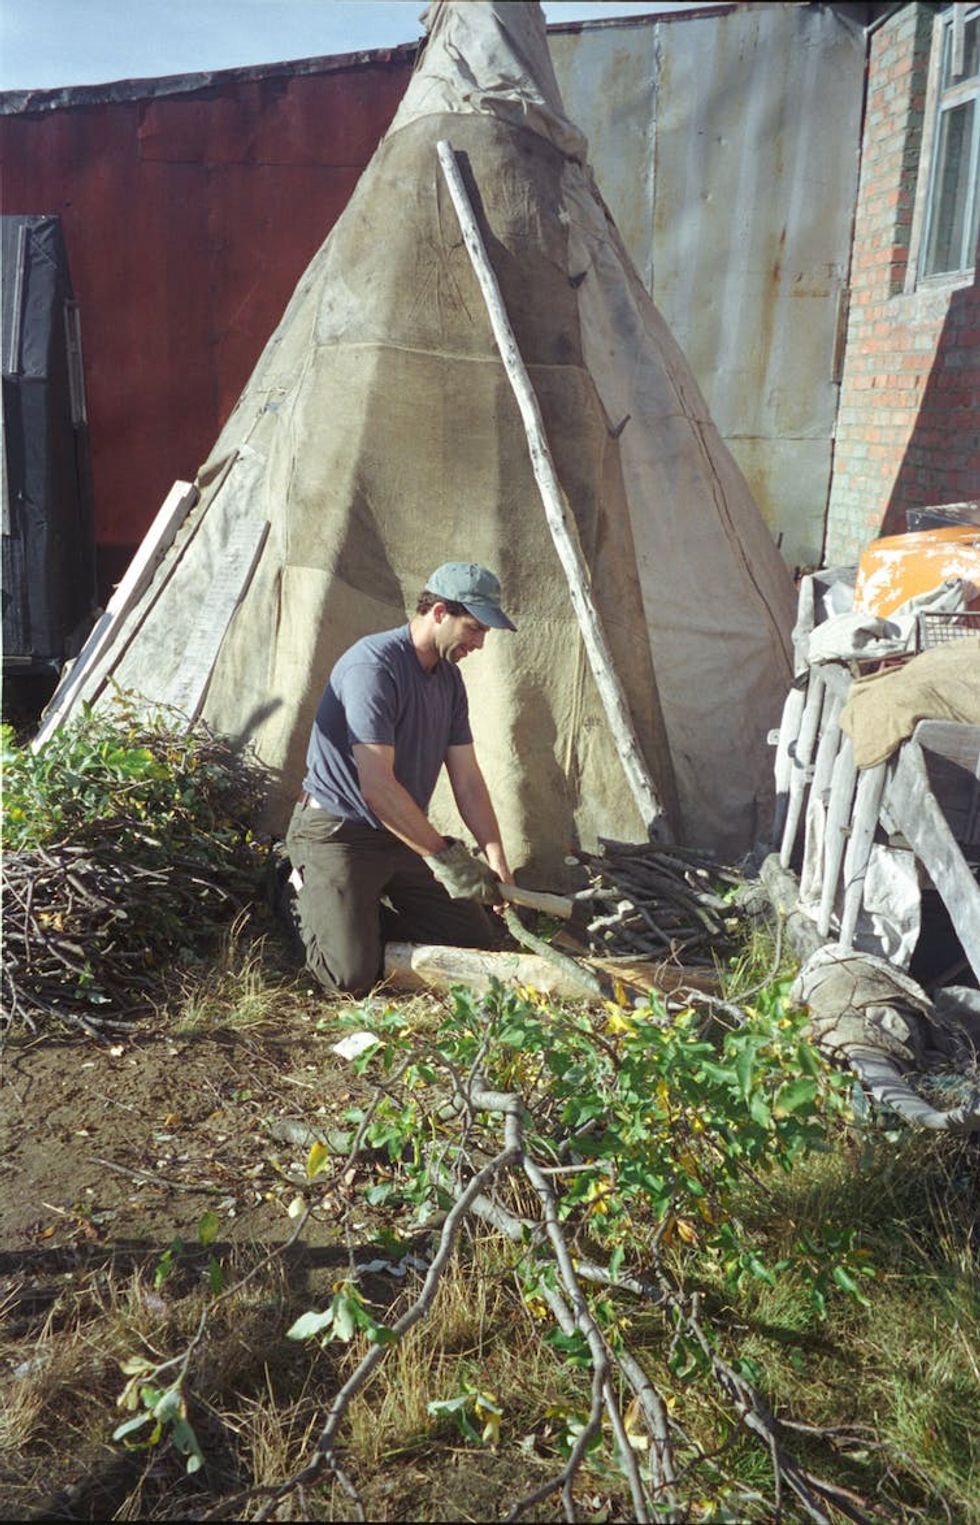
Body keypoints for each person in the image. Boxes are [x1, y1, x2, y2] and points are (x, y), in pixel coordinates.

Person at [283, 562, 517, 995]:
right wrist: (447, 858)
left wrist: (495, 855)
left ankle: (359, 914)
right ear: (441, 612)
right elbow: (378, 788)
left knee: (472, 942)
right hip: (339, 833)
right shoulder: (373, 667)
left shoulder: (449, 680)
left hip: (400, 835)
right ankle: (295, 885)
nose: (481, 644)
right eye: (475, 629)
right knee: (349, 977)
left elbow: (466, 779)